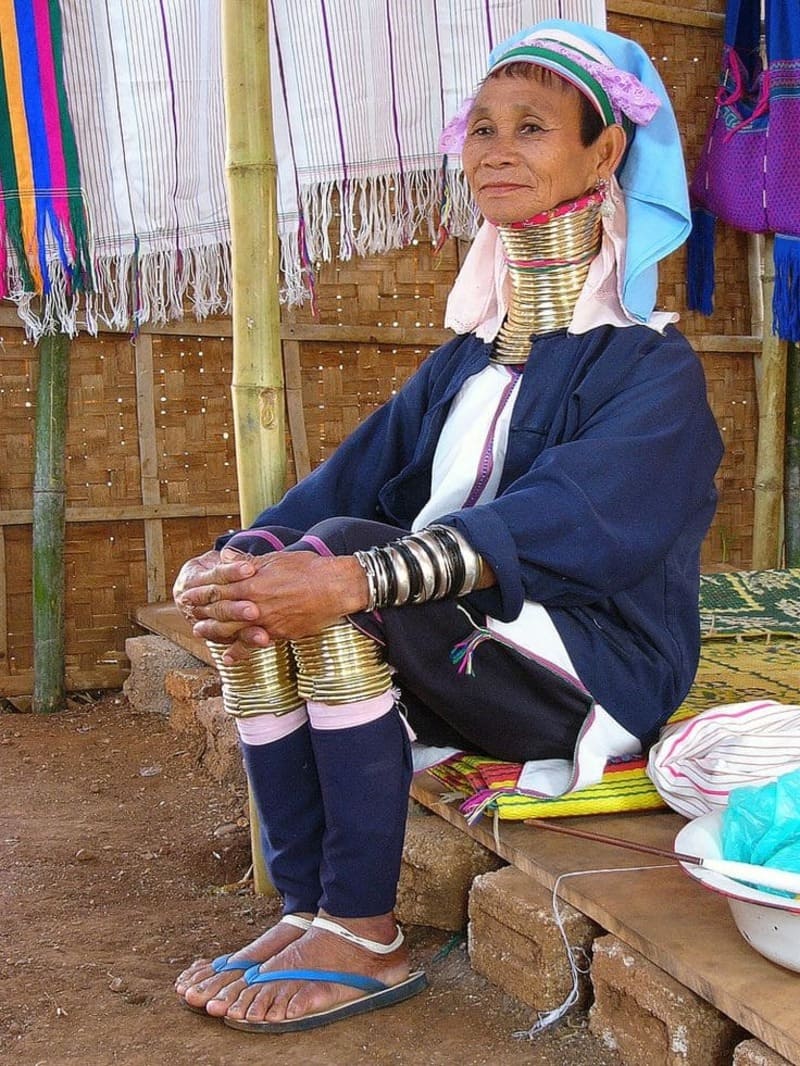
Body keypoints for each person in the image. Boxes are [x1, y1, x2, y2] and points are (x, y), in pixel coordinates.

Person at [173, 19, 723, 1034]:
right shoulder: (465, 363)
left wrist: (350, 578)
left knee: (337, 566)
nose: (494, 148)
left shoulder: (650, 372)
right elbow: (349, 482)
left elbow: (569, 522)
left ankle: (366, 930)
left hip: (591, 673)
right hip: (470, 652)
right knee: (283, 569)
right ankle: (313, 905)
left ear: (604, 153)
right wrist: (231, 563)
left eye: (529, 127)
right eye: (479, 128)